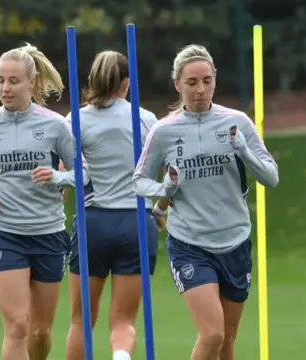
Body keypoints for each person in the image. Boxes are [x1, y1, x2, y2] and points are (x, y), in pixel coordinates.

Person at [132, 44, 279, 360]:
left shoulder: (237, 121)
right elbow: (139, 180)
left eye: (207, 81)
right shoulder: (164, 131)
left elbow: (271, 178)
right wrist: (166, 189)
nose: (201, 90)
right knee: (212, 334)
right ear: (178, 84)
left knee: (226, 342)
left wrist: (243, 149)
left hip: (234, 240)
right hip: (189, 243)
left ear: (215, 80)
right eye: (192, 82)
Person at [0, 43, 89, 360]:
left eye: (13, 80)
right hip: (2, 232)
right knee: (17, 325)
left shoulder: (55, 125)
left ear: (31, 82)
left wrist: (57, 178)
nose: (5, 87)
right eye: (0, 80)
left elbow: (82, 173)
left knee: (40, 332)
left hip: (48, 233)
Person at [63, 50, 162, 360]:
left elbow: (69, 174)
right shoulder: (146, 120)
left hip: (94, 222)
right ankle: (121, 356)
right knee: (124, 321)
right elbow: (168, 175)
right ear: (126, 83)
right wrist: (159, 210)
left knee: (81, 321)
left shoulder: (75, 119)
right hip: (137, 222)